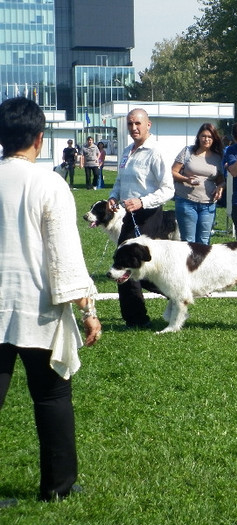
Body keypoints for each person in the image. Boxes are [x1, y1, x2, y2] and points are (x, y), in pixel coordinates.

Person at [0, 97, 101, 505]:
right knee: (53, 397)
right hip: (36, 307)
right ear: (40, 139)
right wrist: (89, 310)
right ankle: (58, 486)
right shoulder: (49, 183)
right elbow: (64, 257)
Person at [107, 108, 175, 328]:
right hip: (129, 215)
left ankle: (174, 295)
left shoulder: (156, 152)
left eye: (138, 123)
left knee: (135, 265)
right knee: (127, 264)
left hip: (149, 216)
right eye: (130, 124)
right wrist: (113, 197)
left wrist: (142, 202)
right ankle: (135, 317)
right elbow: (120, 181)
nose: (133, 128)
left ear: (148, 125)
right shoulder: (128, 151)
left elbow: (168, 189)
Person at [171, 123, 225, 244]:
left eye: (210, 137)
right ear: (198, 137)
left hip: (208, 204)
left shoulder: (218, 157)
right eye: (203, 136)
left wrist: (220, 187)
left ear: (214, 139)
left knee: (204, 241)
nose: (206, 139)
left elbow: (220, 180)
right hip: (186, 201)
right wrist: (186, 179)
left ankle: (203, 264)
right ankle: (189, 263)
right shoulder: (188, 151)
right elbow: (173, 172)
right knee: (188, 241)